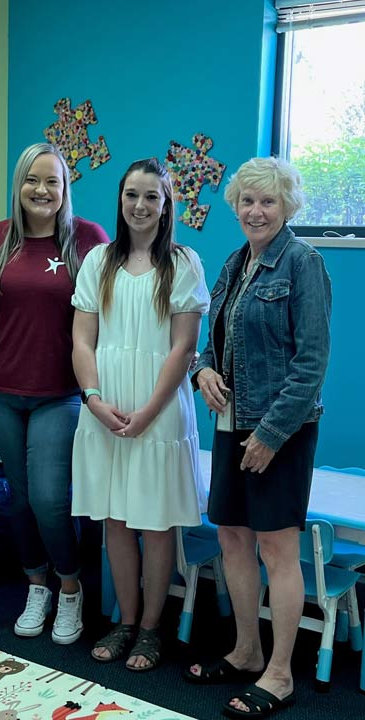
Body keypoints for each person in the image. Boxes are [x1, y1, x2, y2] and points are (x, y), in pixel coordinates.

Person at [184, 157, 332, 718]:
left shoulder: (304, 264)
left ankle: (280, 673)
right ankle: (246, 651)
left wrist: (271, 433)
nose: (256, 210)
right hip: (231, 427)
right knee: (233, 540)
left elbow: (311, 363)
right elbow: (214, 339)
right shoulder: (235, 263)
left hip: (282, 431)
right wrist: (203, 369)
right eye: (247, 200)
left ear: (287, 206)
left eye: (268, 201)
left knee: (277, 548)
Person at [71, 157, 210, 671]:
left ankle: (152, 629)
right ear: (120, 199)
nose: (141, 205)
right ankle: (125, 621)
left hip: (160, 407)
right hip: (105, 406)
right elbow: (82, 340)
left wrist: (151, 410)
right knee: (115, 519)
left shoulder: (183, 263)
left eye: (152, 196)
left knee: (154, 524)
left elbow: (183, 348)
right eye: (132, 194)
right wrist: (93, 399)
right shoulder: (98, 262)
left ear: (166, 203)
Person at [0, 142, 109, 645]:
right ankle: (37, 585)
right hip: (0, 389)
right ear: (19, 186)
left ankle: (71, 587)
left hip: (61, 393)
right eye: (32, 180)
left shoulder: (88, 239)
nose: (41, 190)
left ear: (65, 188)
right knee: (17, 499)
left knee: (50, 499)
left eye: (52, 181)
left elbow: (110, 316)